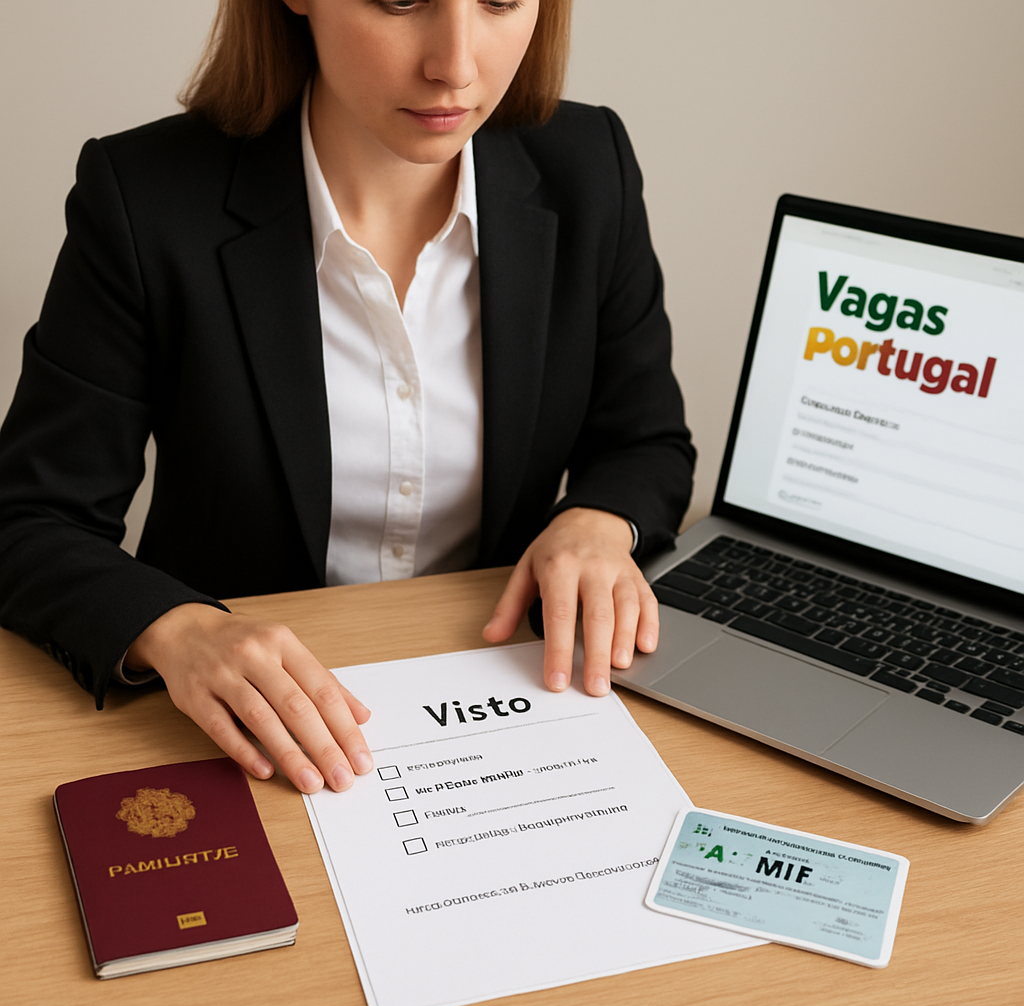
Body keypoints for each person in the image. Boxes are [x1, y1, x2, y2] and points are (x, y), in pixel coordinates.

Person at [0, 0, 694, 796]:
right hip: (245, 741)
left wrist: (597, 522)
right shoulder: (144, 197)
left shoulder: (589, 165)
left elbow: (647, 441)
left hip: (504, 710)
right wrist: (179, 631)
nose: (456, 66)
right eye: (402, 0)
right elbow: (28, 519)